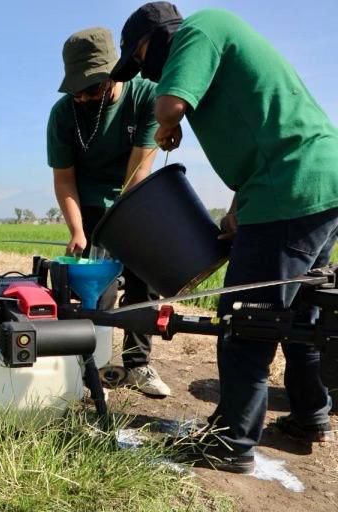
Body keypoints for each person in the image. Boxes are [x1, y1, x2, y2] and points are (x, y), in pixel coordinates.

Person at [111, 2, 338, 474]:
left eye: (138, 61)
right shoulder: (221, 40)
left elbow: (169, 105)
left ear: (153, 41)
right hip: (315, 186)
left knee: (246, 322)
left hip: (289, 192)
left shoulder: (201, 28)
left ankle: (230, 442)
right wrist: (239, 207)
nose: (144, 73)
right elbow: (264, 129)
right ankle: (310, 417)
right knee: (298, 318)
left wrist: (167, 123)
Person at [47, 27, 170, 397]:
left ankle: (137, 365)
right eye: (78, 90)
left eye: (94, 88)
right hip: (86, 206)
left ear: (116, 73)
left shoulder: (145, 97)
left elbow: (138, 172)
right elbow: (64, 180)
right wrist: (78, 231)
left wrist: (124, 229)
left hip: (135, 199)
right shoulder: (64, 115)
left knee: (140, 285)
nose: (84, 97)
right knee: (92, 291)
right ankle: (87, 368)